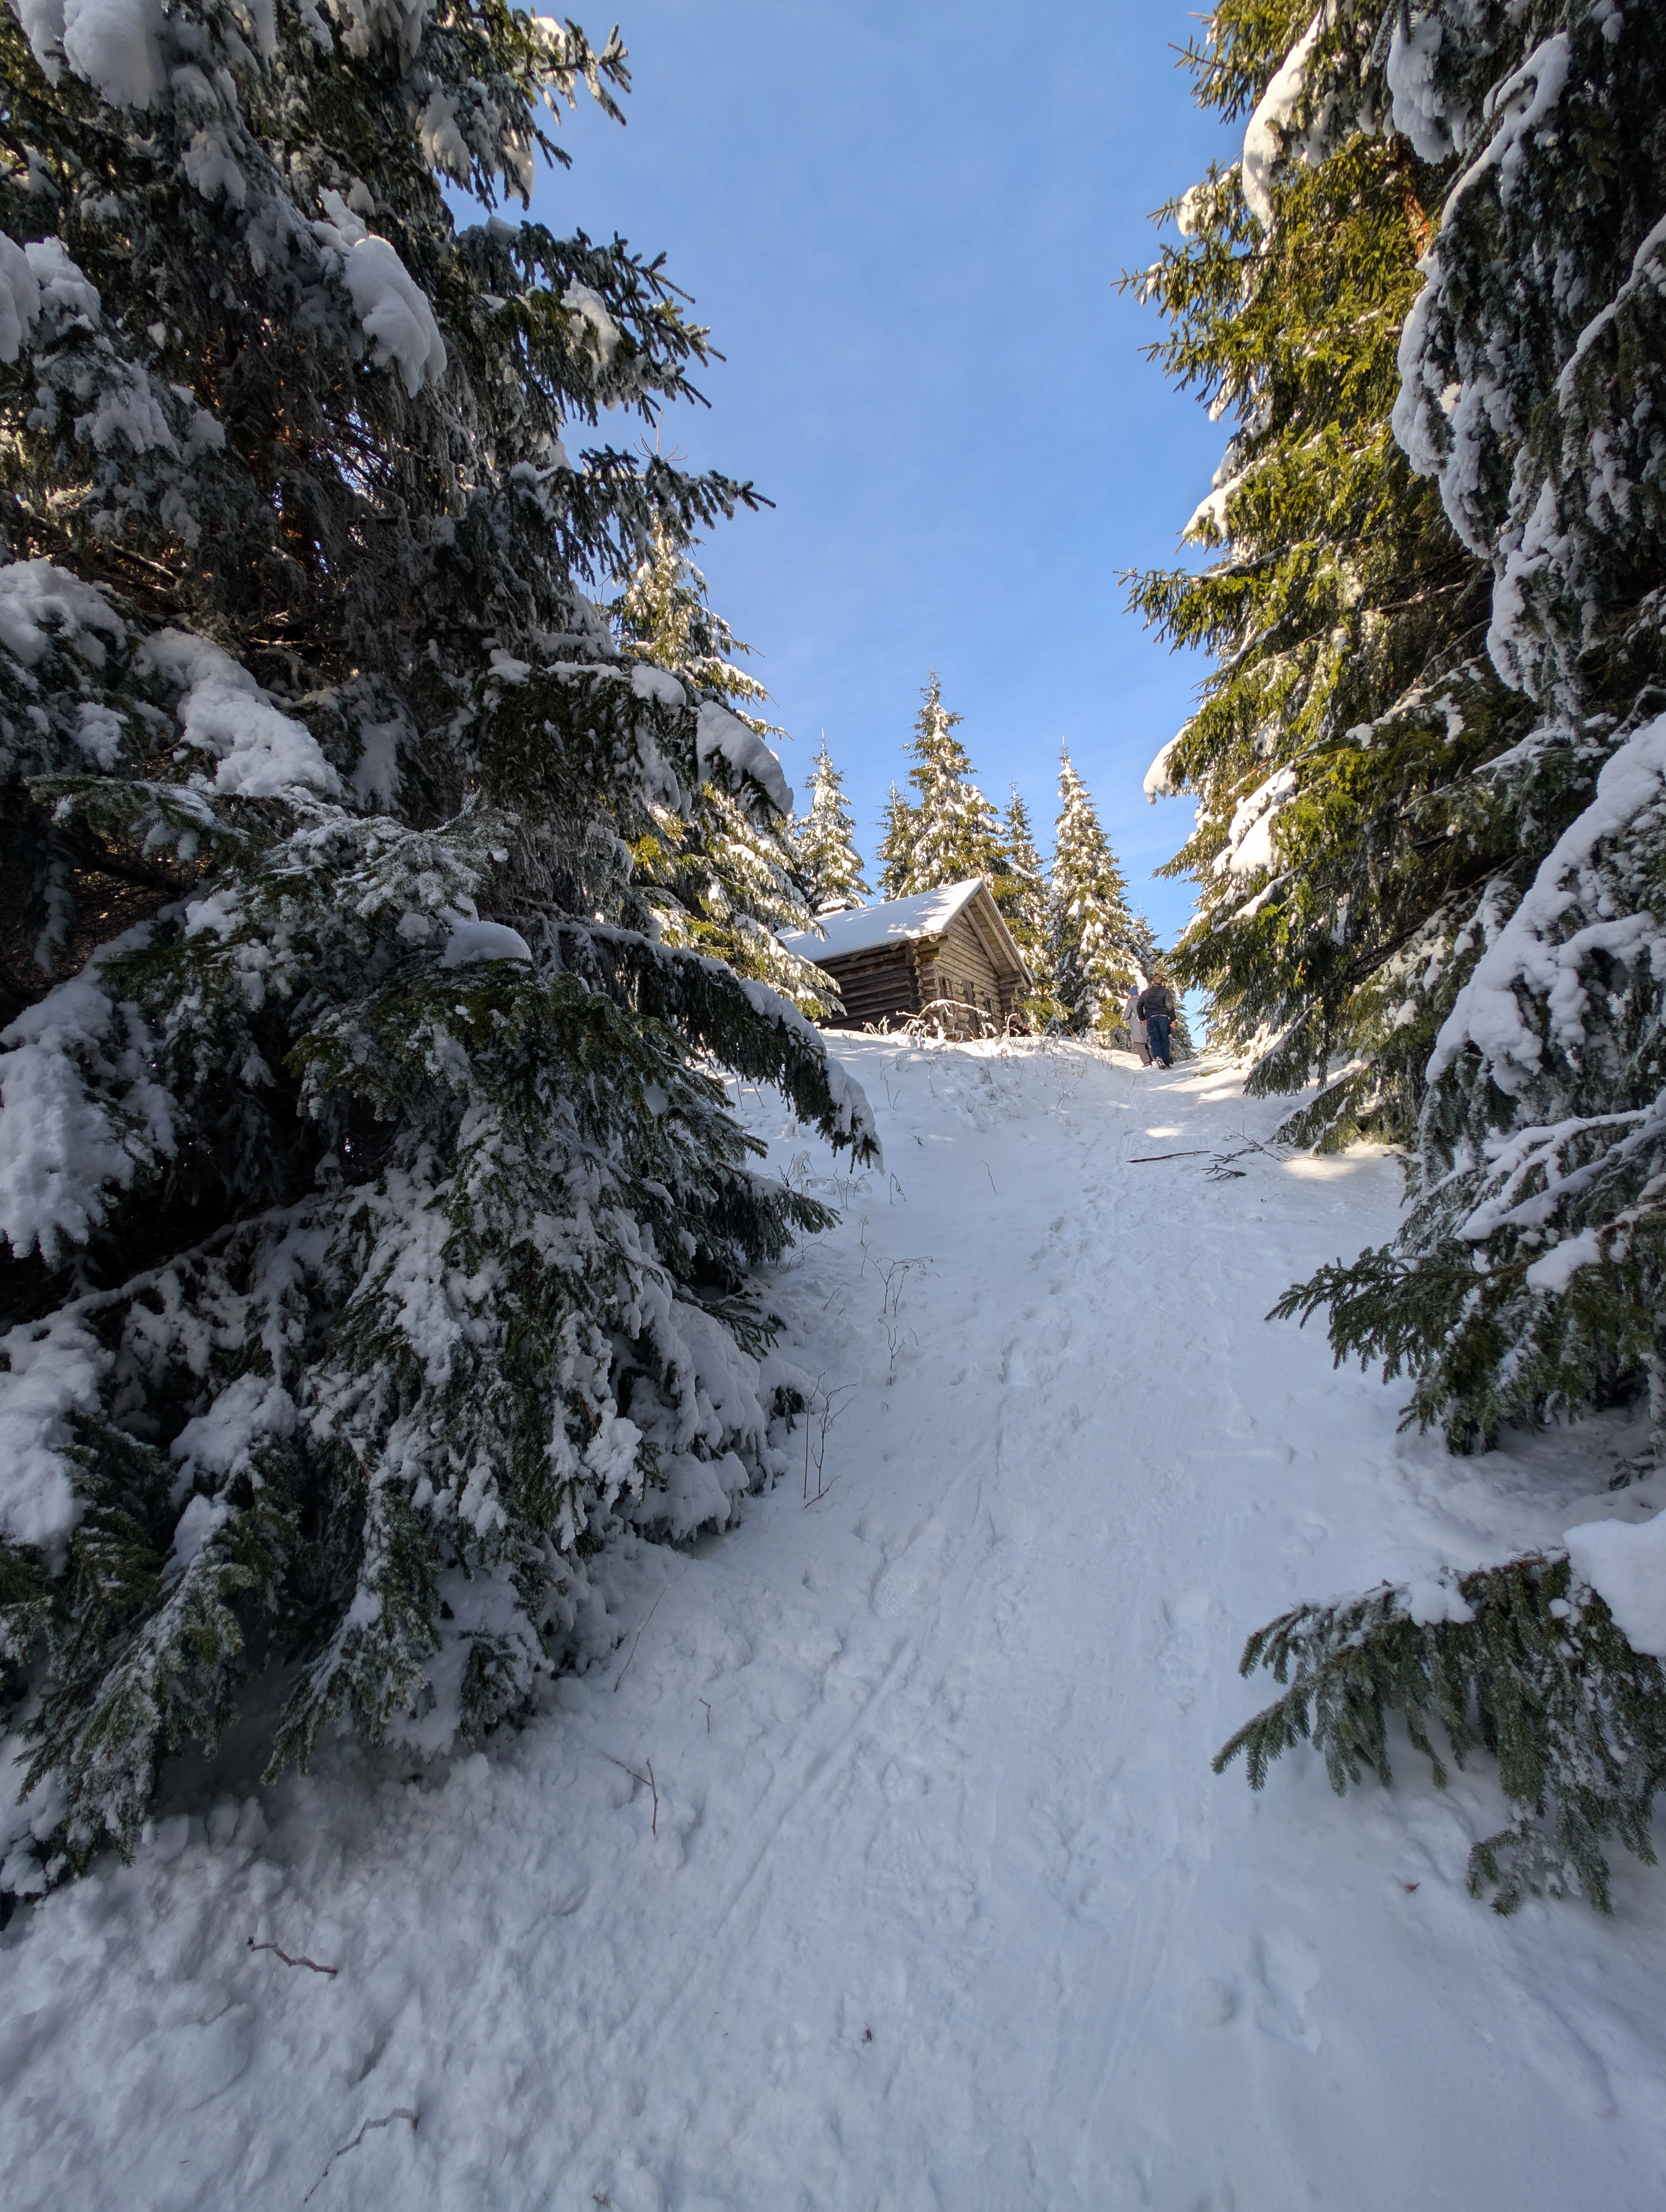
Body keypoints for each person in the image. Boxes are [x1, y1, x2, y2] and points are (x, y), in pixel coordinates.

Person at [1136, 973, 1177, 1068]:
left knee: (1155, 1039)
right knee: (1165, 1039)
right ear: (1162, 983)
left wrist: (1143, 1019)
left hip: (1151, 1019)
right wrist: (1173, 1020)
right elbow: (1170, 1006)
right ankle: (1166, 1063)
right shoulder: (1166, 992)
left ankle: (1158, 1057)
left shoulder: (1145, 993)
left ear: (1152, 982)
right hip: (1163, 1018)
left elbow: (1139, 1007)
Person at [1121, 981, 1153, 1065]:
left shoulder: (1132, 1002)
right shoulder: (1142, 1001)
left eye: (1129, 994)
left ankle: (1147, 1063)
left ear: (1131, 994)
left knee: (1139, 1043)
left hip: (1137, 1026)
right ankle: (1150, 1060)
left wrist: (1122, 1018)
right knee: (1144, 1042)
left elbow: (1127, 1015)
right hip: (1145, 1024)